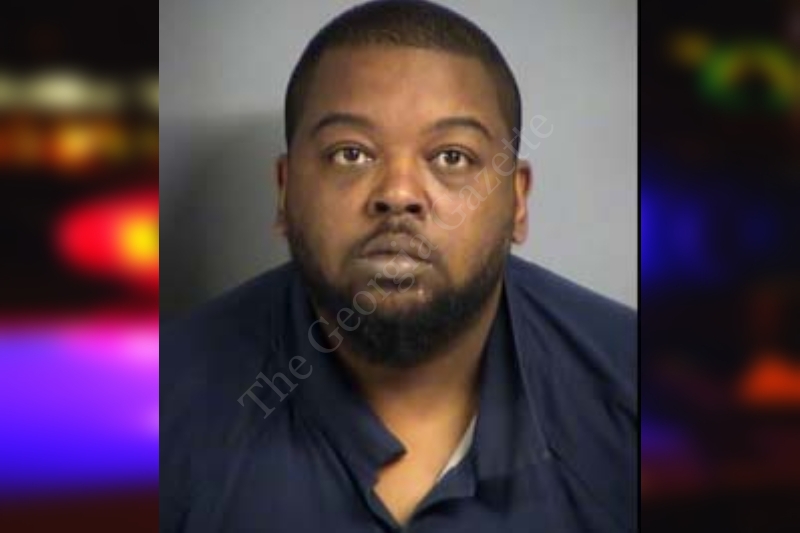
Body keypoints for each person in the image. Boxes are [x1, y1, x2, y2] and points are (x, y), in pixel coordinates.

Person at [160, 1, 637, 532]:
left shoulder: (638, 397)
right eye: (351, 153)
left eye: (452, 157)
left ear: (517, 202)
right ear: (284, 190)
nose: (399, 193)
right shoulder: (154, 412)